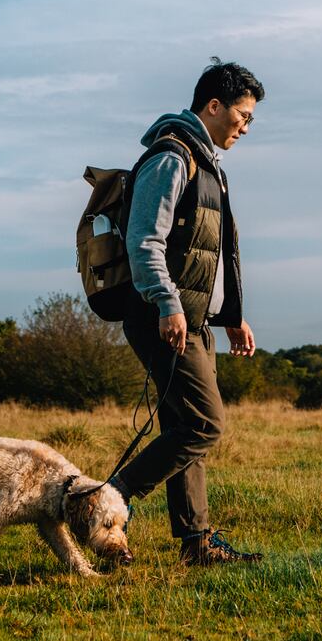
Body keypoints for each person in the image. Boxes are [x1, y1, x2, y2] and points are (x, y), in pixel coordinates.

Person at [106, 59, 264, 565]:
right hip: (164, 317)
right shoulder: (173, 158)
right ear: (213, 106)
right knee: (204, 424)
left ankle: (196, 542)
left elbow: (212, 254)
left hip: (192, 319)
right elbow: (144, 240)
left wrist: (231, 315)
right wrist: (168, 303)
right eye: (242, 114)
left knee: (184, 426)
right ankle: (105, 499)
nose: (246, 125)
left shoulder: (207, 162)